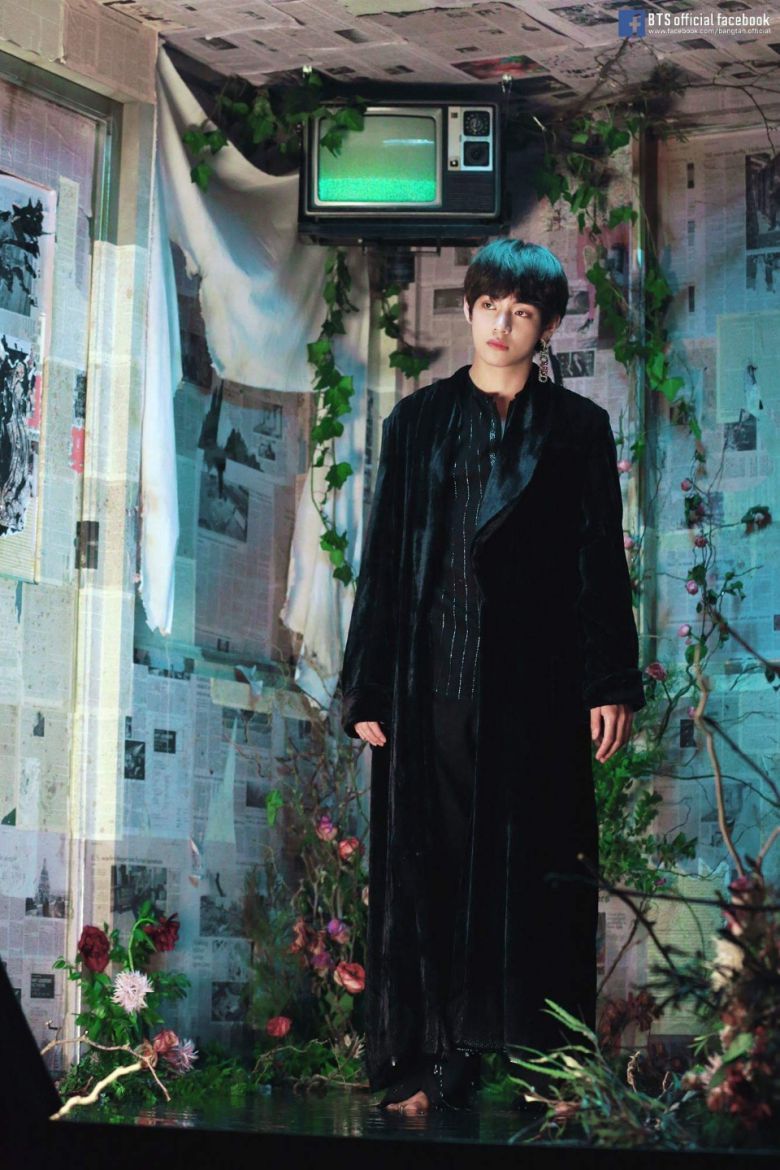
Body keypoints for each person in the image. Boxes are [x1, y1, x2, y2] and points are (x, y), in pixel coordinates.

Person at [339, 238, 645, 1115]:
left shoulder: (578, 429)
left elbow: (600, 561)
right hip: (432, 678)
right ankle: (434, 1063)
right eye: (488, 307)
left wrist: (608, 680)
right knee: (432, 876)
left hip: (536, 691)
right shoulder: (418, 423)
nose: (501, 325)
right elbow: (386, 556)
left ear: (545, 327)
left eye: (521, 312)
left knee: (539, 878)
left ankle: (548, 1067)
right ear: (470, 311)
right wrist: (367, 685)